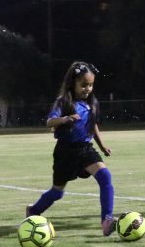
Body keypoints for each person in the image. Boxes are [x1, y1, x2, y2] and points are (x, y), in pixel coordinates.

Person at [25, 61, 117, 235]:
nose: (87, 89)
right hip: (65, 153)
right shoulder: (64, 102)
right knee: (57, 192)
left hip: (85, 149)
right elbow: (49, 122)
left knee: (105, 176)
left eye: (90, 85)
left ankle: (107, 220)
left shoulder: (92, 103)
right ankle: (33, 211)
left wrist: (102, 145)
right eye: (83, 85)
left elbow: (93, 125)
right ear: (72, 83)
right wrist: (65, 119)